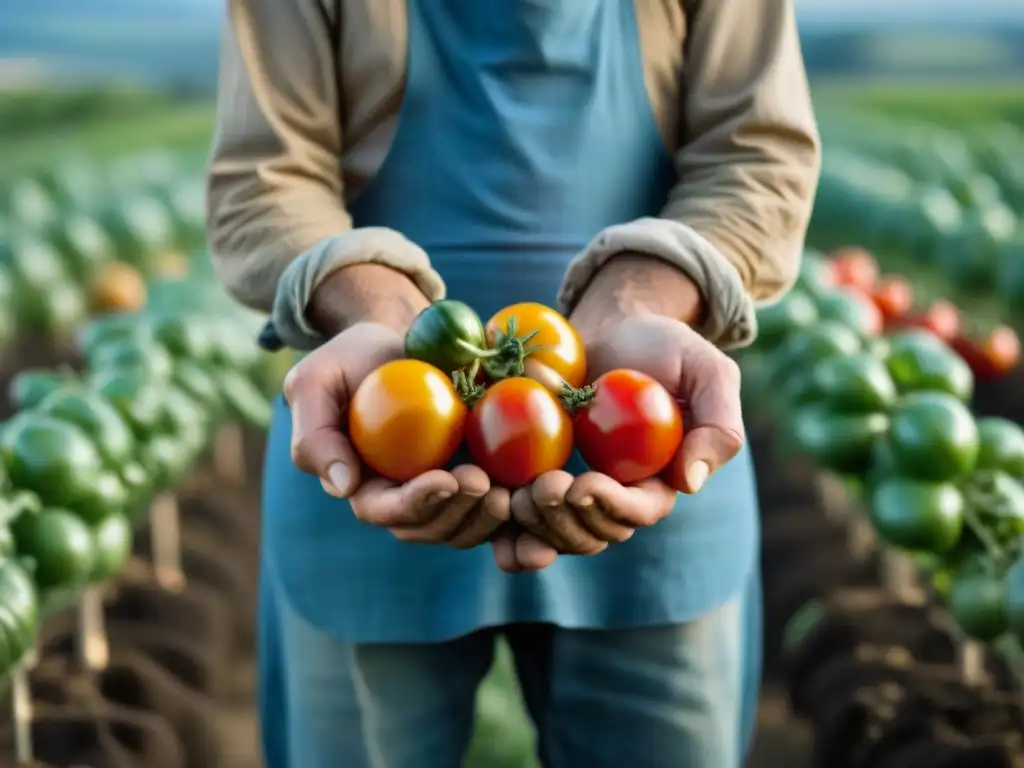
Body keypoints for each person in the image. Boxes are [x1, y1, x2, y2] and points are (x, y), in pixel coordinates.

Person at [206, 0, 819, 765]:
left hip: (640, 445)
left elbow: (759, 156)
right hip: (376, 452)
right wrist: (385, 320)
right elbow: (262, 180)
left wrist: (637, 300)